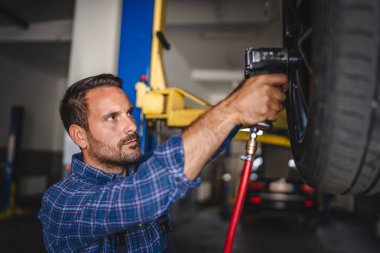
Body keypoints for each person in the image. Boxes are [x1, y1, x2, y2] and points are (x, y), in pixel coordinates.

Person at [38, 73, 288, 252]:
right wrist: (232, 110)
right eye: (112, 117)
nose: (132, 126)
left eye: (129, 113)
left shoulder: (140, 169)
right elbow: (140, 197)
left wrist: (240, 111)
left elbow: (198, 152)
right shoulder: (62, 202)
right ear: (79, 135)